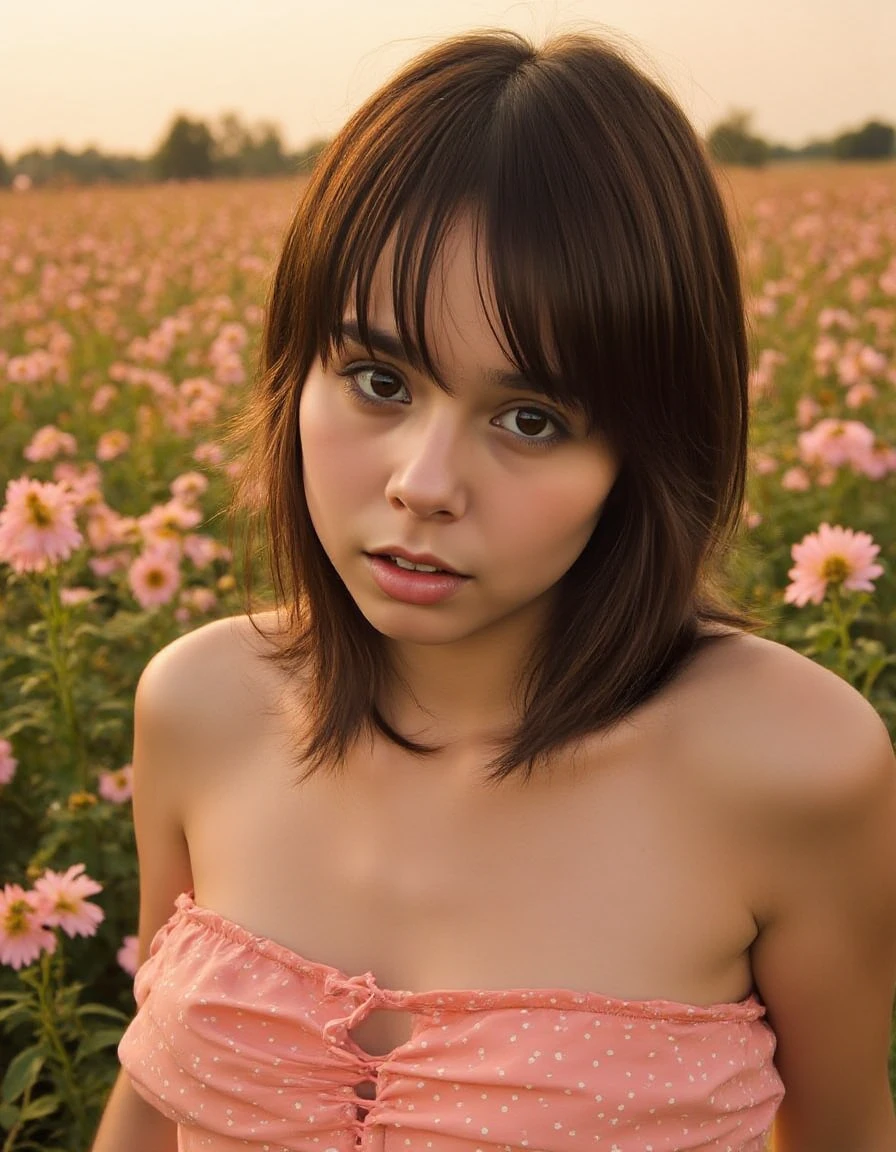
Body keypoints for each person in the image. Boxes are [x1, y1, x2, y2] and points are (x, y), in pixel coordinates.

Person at [91, 28, 896, 1152]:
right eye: (377, 379)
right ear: (292, 370)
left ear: (647, 449)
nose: (423, 486)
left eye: (530, 419)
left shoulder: (792, 764)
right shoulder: (198, 705)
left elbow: (845, 1132)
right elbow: (156, 1095)